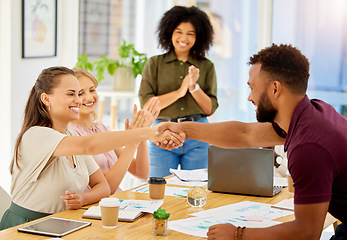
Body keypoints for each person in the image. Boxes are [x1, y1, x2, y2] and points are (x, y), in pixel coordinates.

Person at [156, 44, 347, 240]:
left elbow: (307, 232)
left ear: (275, 89)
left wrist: (238, 234)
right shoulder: (311, 114)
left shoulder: (309, 146)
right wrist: (184, 129)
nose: (249, 97)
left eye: (252, 88)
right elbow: (245, 133)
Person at [0, 66, 181, 230]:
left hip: (62, 224)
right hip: (27, 227)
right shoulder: (36, 135)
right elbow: (90, 145)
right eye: (71, 94)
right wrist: (147, 133)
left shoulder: (71, 139)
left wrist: (82, 199)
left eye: (79, 94)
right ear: (46, 98)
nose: (79, 100)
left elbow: (102, 185)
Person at [139, 5, 219, 177]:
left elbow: (209, 109)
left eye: (190, 33)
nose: (184, 38)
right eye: (179, 32)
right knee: (158, 189)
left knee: (197, 191)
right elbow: (147, 106)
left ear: (199, 37)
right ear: (169, 32)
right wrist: (180, 92)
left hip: (198, 135)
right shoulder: (154, 64)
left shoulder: (206, 66)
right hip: (163, 133)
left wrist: (193, 88)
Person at [68, 68, 158, 194]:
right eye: (81, 93)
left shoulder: (101, 129)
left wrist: (142, 132)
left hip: (115, 201)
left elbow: (141, 172)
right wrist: (133, 140)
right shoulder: (72, 135)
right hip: (93, 207)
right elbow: (105, 189)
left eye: (92, 90)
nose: (89, 97)